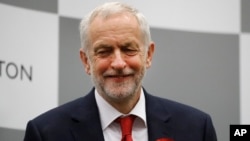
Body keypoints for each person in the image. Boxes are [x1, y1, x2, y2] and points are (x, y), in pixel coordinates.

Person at [24, 2, 217, 141]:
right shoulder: (46, 133)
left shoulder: (196, 128)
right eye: (104, 51)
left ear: (148, 55)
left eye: (129, 49)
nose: (118, 63)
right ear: (86, 61)